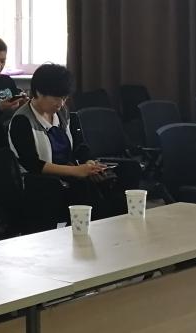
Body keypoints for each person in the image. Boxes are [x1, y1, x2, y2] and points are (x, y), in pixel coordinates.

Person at [7, 63, 125, 230]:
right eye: (56, 98)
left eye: (64, 98)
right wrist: (76, 171)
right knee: (85, 191)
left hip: (67, 175)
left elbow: (79, 146)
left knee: (120, 177)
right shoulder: (22, 120)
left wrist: (89, 162)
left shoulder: (62, 112)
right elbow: (32, 164)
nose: (61, 104)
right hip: (38, 183)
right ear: (38, 92)